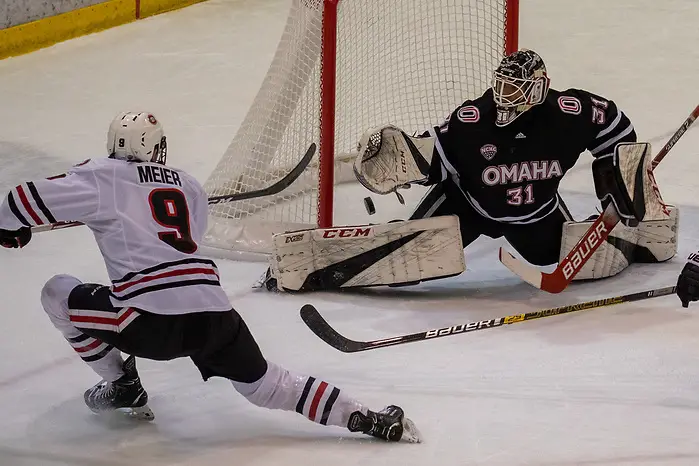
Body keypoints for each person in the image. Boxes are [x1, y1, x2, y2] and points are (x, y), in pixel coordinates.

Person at [0, 111, 420, 443]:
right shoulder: (188, 184)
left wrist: (10, 225)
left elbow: (20, 200)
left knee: (57, 293)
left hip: (148, 322)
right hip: (215, 317)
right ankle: (365, 417)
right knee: (266, 385)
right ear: (158, 148)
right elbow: (183, 241)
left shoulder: (101, 174)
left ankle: (122, 383)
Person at [264, 49, 676, 292]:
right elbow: (430, 160)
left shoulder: (569, 113)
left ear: (538, 87)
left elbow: (616, 128)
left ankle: (643, 237)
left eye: (514, 88)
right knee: (409, 258)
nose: (503, 95)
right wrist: (400, 157)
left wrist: (620, 180)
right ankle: (315, 269)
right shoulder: (472, 118)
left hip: (535, 216)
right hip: (468, 206)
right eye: (500, 84)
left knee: (573, 260)